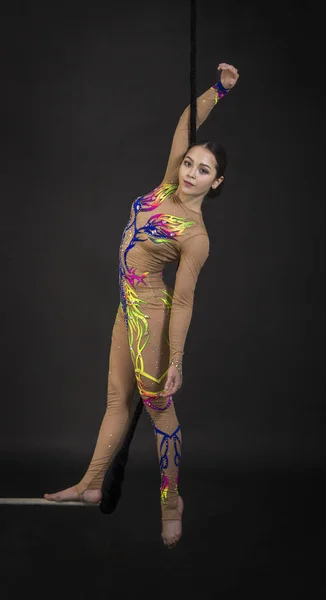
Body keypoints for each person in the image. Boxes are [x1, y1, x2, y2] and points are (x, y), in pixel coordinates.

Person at [44, 62, 239, 548]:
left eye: (204, 170)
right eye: (191, 163)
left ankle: (171, 502)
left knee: (158, 411)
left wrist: (176, 361)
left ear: (216, 183)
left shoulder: (196, 236)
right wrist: (220, 89)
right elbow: (183, 123)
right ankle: (88, 486)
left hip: (153, 316)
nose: (192, 173)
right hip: (126, 309)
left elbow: (186, 303)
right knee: (115, 400)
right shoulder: (167, 186)